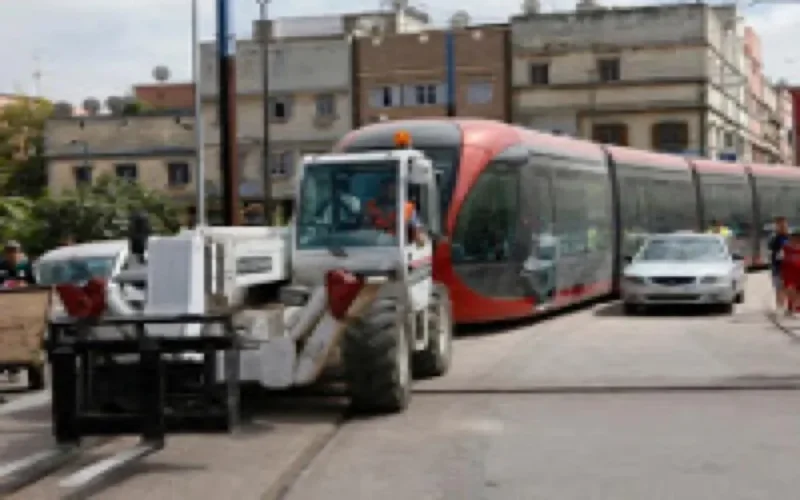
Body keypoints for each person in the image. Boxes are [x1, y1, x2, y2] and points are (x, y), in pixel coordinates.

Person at [365, 178, 426, 246]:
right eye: (385, 189)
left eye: (392, 189)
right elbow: (365, 225)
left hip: (398, 244)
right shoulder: (371, 205)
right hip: (373, 243)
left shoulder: (408, 207)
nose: (389, 192)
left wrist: (420, 244)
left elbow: (417, 226)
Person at [769, 216, 791, 311]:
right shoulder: (775, 238)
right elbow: (771, 247)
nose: (782, 226)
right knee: (779, 287)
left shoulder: (790, 237)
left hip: (789, 265)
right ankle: (780, 307)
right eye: (779, 225)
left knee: (789, 287)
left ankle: (789, 307)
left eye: (783, 224)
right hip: (777, 266)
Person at [781, 230, 800, 316]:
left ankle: (794, 308)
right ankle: (792, 307)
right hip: (788, 274)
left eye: (797, 238)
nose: (795, 240)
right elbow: (780, 258)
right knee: (790, 290)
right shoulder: (786, 248)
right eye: (793, 238)